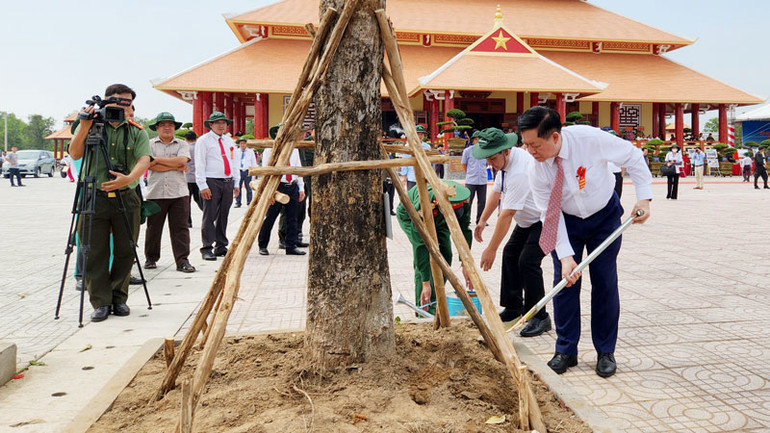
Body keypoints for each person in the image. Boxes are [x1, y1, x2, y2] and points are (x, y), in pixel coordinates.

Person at [519, 106, 651, 378]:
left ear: (555, 137)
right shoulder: (536, 167)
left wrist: (644, 197)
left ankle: (605, 351)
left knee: (604, 281)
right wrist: (566, 257)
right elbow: (548, 213)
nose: (531, 151)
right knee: (564, 282)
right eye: (526, 145)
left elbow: (634, 156)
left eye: (535, 144)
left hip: (604, 217)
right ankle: (565, 350)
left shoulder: (589, 139)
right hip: (565, 221)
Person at [68, 83, 152, 322]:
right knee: (94, 251)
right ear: (105, 100)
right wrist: (84, 126)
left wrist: (129, 178)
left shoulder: (136, 131)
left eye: (126, 102)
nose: (121, 106)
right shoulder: (89, 125)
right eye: (116, 100)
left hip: (127, 196)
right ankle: (100, 302)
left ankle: (119, 298)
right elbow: (75, 154)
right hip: (93, 195)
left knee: (126, 248)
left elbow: (144, 159)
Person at [472, 128, 551, 336]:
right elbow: (497, 191)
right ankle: (514, 307)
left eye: (492, 158)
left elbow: (506, 215)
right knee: (510, 255)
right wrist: (481, 220)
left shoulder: (520, 170)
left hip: (545, 220)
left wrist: (491, 249)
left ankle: (539, 316)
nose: (490, 163)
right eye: (487, 159)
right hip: (527, 220)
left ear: (506, 151)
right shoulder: (505, 163)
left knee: (528, 262)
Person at [397, 180, 472, 315]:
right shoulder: (425, 204)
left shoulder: (463, 198)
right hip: (410, 215)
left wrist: (465, 263)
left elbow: (464, 231)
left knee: (446, 255)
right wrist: (426, 282)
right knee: (427, 252)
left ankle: (436, 294)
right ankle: (424, 305)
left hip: (439, 219)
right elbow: (420, 247)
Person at [143, 112, 195, 273]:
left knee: (180, 228)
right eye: (163, 125)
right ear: (157, 128)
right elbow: (148, 165)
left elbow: (182, 161)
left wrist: (157, 160)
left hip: (179, 192)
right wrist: (174, 165)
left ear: (174, 127)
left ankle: (182, 261)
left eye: (170, 125)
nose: (167, 127)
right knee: (153, 228)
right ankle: (151, 258)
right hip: (155, 191)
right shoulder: (149, 144)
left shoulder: (182, 144)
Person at [195, 111, 240, 261]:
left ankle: (221, 245)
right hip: (211, 180)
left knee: (223, 215)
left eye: (224, 123)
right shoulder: (204, 140)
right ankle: (206, 247)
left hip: (227, 180)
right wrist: (202, 185)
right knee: (210, 214)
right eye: (218, 123)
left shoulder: (229, 141)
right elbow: (200, 163)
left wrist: (236, 182)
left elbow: (234, 162)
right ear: (211, 125)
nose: (221, 125)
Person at [257, 124, 307, 256]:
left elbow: (298, 168)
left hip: (292, 185)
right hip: (277, 186)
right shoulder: (270, 150)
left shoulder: (294, 149)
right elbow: (265, 171)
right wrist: (269, 192)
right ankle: (263, 245)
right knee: (270, 217)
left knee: (292, 218)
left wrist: (301, 188)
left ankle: (291, 245)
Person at [462, 131, 488, 224]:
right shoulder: (467, 151)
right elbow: (464, 164)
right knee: (468, 201)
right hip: (471, 180)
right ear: (473, 140)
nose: (478, 141)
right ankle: (466, 219)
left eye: (480, 139)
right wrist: (469, 173)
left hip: (482, 180)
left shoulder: (485, 151)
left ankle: (480, 220)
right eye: (477, 139)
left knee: (482, 201)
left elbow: (487, 164)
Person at [399, 125, 431, 191]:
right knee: (412, 197)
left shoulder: (427, 147)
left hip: (424, 176)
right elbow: (405, 162)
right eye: (418, 134)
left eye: (421, 134)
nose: (420, 136)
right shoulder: (408, 146)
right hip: (412, 177)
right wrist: (404, 176)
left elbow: (429, 162)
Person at [184, 131, 202, 227]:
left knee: (187, 201)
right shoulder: (200, 148)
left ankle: (188, 221)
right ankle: (209, 214)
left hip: (188, 177)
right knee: (199, 198)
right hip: (199, 177)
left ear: (186, 139)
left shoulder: (186, 149)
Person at [234, 137, 257, 208]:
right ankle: (238, 202)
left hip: (247, 171)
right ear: (239, 144)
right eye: (241, 143)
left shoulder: (250, 152)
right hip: (239, 171)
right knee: (238, 187)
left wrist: (254, 173)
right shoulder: (236, 151)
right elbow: (234, 162)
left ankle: (249, 202)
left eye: (244, 143)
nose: (242, 145)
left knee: (249, 188)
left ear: (246, 144)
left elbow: (253, 162)